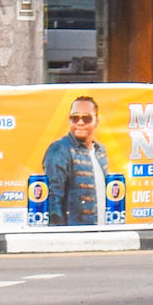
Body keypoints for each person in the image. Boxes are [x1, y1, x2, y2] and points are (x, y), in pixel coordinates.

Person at [36, 95, 113, 227]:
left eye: (86, 118)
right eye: (75, 118)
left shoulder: (100, 151)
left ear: (97, 121)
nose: (80, 123)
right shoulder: (59, 150)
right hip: (74, 234)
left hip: (100, 232)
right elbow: (53, 199)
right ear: (69, 120)